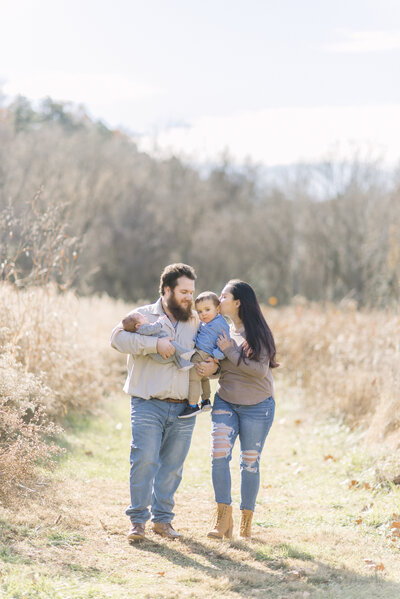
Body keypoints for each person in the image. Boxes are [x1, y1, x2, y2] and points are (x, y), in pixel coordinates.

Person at [110, 263, 211, 542]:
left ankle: (163, 521)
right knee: (144, 459)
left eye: (192, 292)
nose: (189, 297)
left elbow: (206, 352)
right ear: (166, 290)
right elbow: (116, 339)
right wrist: (154, 346)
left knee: (173, 467)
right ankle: (138, 522)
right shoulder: (142, 315)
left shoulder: (195, 320)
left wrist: (210, 367)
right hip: (147, 402)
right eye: (183, 292)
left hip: (183, 406)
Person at [206, 279, 278, 540]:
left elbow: (259, 371)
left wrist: (230, 351)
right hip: (226, 401)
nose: (218, 299)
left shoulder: (257, 332)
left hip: (258, 406)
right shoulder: (220, 329)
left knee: (249, 463)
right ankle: (223, 517)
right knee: (218, 454)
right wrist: (210, 369)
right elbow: (225, 369)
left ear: (238, 302)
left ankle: (246, 522)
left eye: (223, 296)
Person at [178, 291, 230, 418]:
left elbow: (226, 342)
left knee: (193, 378)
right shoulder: (205, 323)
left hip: (204, 354)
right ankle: (206, 400)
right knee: (203, 377)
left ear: (217, 309)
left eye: (207, 309)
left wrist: (216, 357)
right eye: (200, 311)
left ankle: (192, 405)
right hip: (203, 352)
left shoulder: (220, 323)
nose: (203, 314)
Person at [121, 312, 193, 370]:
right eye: (142, 317)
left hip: (159, 357)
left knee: (175, 356)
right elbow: (154, 328)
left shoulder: (140, 331)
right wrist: (160, 321)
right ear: (138, 325)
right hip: (160, 355)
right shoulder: (143, 328)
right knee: (173, 344)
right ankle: (185, 352)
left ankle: (183, 365)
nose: (145, 316)